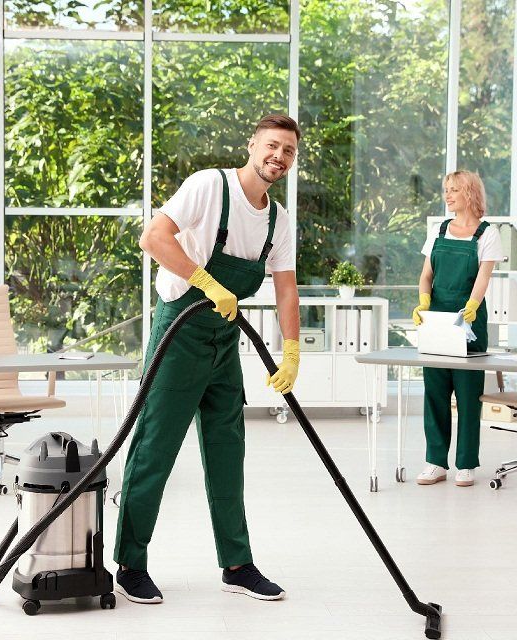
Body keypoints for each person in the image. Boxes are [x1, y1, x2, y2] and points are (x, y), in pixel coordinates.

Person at [113, 114, 302, 604]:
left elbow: (285, 289)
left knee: (227, 452)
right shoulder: (209, 187)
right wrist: (206, 281)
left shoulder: (277, 221)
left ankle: (237, 564)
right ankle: (130, 564)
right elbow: (153, 237)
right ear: (253, 145)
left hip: (224, 342)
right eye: (272, 146)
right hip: (179, 333)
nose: (278, 157)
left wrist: (292, 350)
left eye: (288, 151)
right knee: (155, 448)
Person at [412, 170, 502, 487]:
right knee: (434, 392)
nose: (447, 195)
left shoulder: (488, 234)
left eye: (454, 190)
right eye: (446, 190)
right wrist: (424, 301)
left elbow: (483, 278)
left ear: (470, 193)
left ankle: (466, 463)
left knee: (467, 394)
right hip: (436, 317)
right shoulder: (439, 230)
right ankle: (435, 462)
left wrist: (473, 307)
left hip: (468, 318)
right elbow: (427, 274)